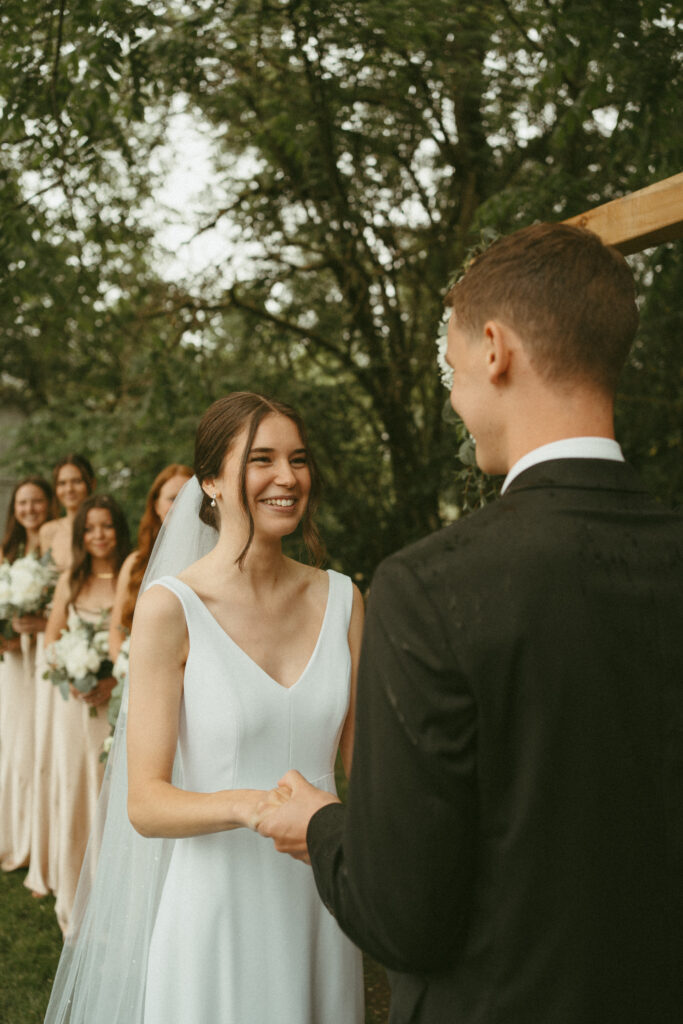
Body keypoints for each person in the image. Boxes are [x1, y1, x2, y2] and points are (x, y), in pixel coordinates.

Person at [258, 223, 683, 1024]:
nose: (453, 395)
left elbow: (402, 916)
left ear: (494, 350)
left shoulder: (428, 589)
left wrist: (321, 824)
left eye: (452, 371)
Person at [44, 393, 364, 1024]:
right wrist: (248, 805)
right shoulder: (172, 607)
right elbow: (145, 803)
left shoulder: (346, 601)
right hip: (216, 908)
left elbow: (375, 773)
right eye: (262, 460)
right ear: (212, 482)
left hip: (320, 902)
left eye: (298, 460)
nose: (287, 477)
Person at [44, 494, 130, 933]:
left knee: (115, 799)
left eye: (107, 526)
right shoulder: (71, 582)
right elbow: (51, 643)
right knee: (79, 796)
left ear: (119, 529)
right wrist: (73, 671)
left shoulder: (134, 578)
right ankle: (79, 900)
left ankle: (120, 901)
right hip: (77, 715)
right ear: (82, 535)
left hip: (120, 708)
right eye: (91, 528)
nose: (99, 535)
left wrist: (114, 682)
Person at [26, 454, 96, 899]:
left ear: (88, 484)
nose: (69, 489)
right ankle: (45, 860)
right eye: (63, 482)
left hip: (85, 641)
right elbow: (34, 581)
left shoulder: (98, 524)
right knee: (47, 752)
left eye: (76, 481)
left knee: (74, 759)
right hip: (51, 645)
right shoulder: (49, 531)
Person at [0, 476, 54, 872]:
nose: (30, 509)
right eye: (23, 503)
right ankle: (15, 835)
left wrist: (43, 622)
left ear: (47, 505)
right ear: (13, 510)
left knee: (42, 745)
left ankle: (43, 839)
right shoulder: (8, 551)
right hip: (15, 663)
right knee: (16, 746)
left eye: (37, 501)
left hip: (46, 656)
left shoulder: (57, 547)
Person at [108, 463, 192, 661]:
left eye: (187, 498)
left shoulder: (215, 559)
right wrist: (125, 669)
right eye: (172, 498)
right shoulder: (134, 563)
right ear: (156, 506)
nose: (179, 505)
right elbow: (116, 632)